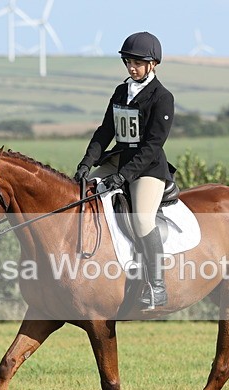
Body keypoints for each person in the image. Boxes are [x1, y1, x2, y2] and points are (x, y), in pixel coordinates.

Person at [73, 31, 175, 310]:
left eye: (138, 63)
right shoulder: (121, 91)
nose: (132, 67)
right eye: (129, 62)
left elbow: (153, 144)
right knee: (77, 195)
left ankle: (156, 286)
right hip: (118, 159)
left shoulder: (162, 97)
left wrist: (123, 176)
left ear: (152, 64)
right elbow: (105, 130)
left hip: (148, 168)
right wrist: (86, 162)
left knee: (142, 218)